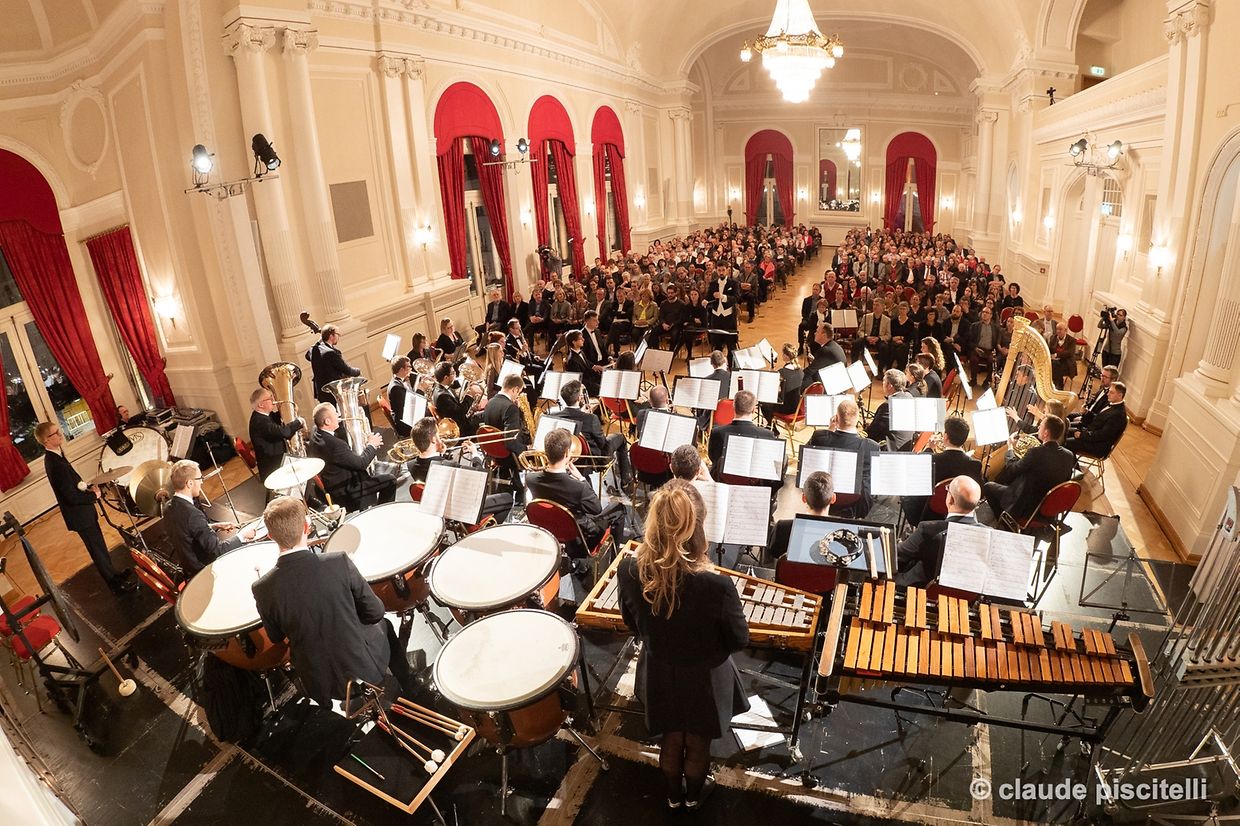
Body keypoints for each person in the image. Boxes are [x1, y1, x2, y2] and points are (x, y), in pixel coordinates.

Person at [616, 481, 749, 810]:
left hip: (660, 670)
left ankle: (673, 797)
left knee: (672, 738)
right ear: (698, 526)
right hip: (704, 677)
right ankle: (693, 797)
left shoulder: (630, 568)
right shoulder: (717, 585)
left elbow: (632, 623)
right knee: (697, 742)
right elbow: (739, 640)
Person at [252, 496, 416, 709]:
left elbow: (276, 636)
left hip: (318, 680)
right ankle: (410, 686)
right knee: (385, 625)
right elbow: (375, 612)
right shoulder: (338, 562)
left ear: (271, 536)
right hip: (363, 669)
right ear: (307, 526)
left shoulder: (262, 588)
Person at [35, 422, 134, 594]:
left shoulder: (57, 456)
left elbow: (72, 485)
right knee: (96, 549)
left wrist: (87, 487)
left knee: (100, 547)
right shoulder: (54, 463)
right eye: (55, 433)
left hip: (84, 513)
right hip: (80, 515)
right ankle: (114, 584)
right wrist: (93, 496)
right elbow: (70, 497)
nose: (60, 435)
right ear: (46, 440)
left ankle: (114, 575)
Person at [525, 428, 627, 555]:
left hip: (551, 529)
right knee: (619, 509)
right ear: (567, 454)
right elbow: (596, 509)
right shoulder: (579, 487)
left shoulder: (530, 478)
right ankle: (616, 557)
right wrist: (581, 478)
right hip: (581, 536)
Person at [405, 417, 512, 522]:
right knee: (507, 498)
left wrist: (441, 454)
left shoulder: (410, 465)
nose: (441, 437)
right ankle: (485, 528)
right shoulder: (449, 466)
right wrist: (475, 455)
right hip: (459, 512)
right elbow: (481, 477)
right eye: (438, 434)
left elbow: (430, 466)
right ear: (433, 440)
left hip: (436, 510)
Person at [163, 459, 256, 579]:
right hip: (203, 571)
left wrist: (213, 526)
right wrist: (242, 536)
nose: (201, 482)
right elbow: (217, 551)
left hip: (188, 568)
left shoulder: (168, 507)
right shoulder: (193, 514)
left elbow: (186, 530)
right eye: (199, 478)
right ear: (190, 483)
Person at [983, 415, 1076, 526]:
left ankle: (1006, 522)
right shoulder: (1069, 455)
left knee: (988, 486)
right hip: (1049, 507)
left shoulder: (1035, 453)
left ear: (1046, 433)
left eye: (1040, 426)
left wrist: (1010, 448)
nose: (1038, 429)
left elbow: (1012, 469)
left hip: (1026, 506)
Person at [896, 476, 986, 587]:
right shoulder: (988, 534)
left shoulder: (928, 530)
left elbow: (898, 555)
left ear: (951, 499)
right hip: (965, 594)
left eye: (947, 490)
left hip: (922, 590)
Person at [306, 403, 397, 512]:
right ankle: (382, 512)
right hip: (348, 491)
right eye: (335, 413)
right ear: (327, 421)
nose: (338, 415)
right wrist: (372, 445)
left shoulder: (315, 432)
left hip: (332, 485)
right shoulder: (335, 445)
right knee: (390, 480)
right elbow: (361, 464)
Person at [807, 397, 879, 518]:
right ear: (857, 419)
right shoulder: (871, 446)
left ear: (836, 418)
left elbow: (806, 458)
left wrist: (829, 431)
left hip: (821, 500)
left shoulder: (819, 437)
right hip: (853, 506)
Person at [557, 379, 633, 491]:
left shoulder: (556, 416)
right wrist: (590, 418)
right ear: (579, 398)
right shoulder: (591, 419)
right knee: (621, 438)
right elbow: (602, 443)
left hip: (567, 456)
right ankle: (626, 480)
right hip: (593, 459)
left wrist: (582, 413)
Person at [706, 390, 779, 484]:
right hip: (754, 484)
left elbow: (714, 458)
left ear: (733, 407)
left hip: (723, 481)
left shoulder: (717, 432)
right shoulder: (768, 435)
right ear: (754, 410)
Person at [481, 374, 530, 500]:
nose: (517, 396)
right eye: (518, 392)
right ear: (515, 389)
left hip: (492, 453)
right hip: (508, 457)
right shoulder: (511, 408)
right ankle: (522, 495)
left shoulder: (490, 402)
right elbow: (510, 442)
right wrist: (527, 449)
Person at [767, 471, 835, 560]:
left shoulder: (782, 528)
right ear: (833, 499)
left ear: (803, 498)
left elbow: (773, 552)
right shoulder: (841, 533)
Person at [248, 386, 305, 485]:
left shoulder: (261, 415)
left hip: (275, 457)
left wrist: (288, 408)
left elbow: (273, 419)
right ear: (261, 405)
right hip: (274, 465)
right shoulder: (260, 422)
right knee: (302, 465)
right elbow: (284, 432)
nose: (273, 400)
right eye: (270, 398)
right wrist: (299, 422)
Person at [1065, 381, 1129, 458]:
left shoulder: (1118, 415)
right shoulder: (1113, 405)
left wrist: (1082, 435)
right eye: (1108, 391)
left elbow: (1103, 435)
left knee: (1065, 443)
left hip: (1097, 446)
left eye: (1111, 392)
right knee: (1063, 432)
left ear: (1120, 395)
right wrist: (1087, 413)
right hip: (1090, 435)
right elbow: (1100, 419)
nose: (1108, 394)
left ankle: (1069, 467)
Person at [306, 324, 362, 404]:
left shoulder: (313, 350)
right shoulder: (331, 353)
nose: (338, 337)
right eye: (337, 334)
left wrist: (320, 340)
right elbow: (348, 371)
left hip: (321, 393)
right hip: (334, 392)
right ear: (331, 336)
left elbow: (307, 355)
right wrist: (358, 371)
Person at [865, 369, 915, 451]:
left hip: (891, 450)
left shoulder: (887, 406)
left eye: (884, 381)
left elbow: (872, 434)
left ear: (890, 386)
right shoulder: (909, 396)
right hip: (906, 445)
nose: (882, 384)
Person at [386, 356, 416, 439]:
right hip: (404, 424)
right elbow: (410, 405)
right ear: (402, 369)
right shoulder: (396, 387)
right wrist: (421, 390)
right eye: (409, 367)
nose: (411, 368)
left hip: (405, 416)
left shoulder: (399, 382)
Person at [1048, 321, 1078, 390]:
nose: (1058, 331)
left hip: (1067, 363)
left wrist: (1056, 355)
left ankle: (1057, 385)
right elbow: (1049, 349)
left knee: (1055, 366)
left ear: (1066, 330)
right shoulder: (1053, 338)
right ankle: (1057, 385)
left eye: (1060, 329)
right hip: (1055, 362)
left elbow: (1070, 353)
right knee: (1053, 364)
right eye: (1057, 329)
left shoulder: (1072, 340)